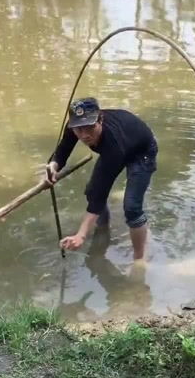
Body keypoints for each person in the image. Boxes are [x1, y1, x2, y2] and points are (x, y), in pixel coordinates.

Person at [46, 97, 158, 260]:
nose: (84, 135)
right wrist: (53, 167)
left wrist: (81, 235)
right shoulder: (74, 127)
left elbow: (101, 194)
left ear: (100, 120)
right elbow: (63, 149)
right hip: (121, 144)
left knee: (132, 208)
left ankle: (139, 258)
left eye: (90, 128)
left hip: (142, 152)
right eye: (79, 129)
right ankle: (103, 228)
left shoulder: (113, 146)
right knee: (91, 192)